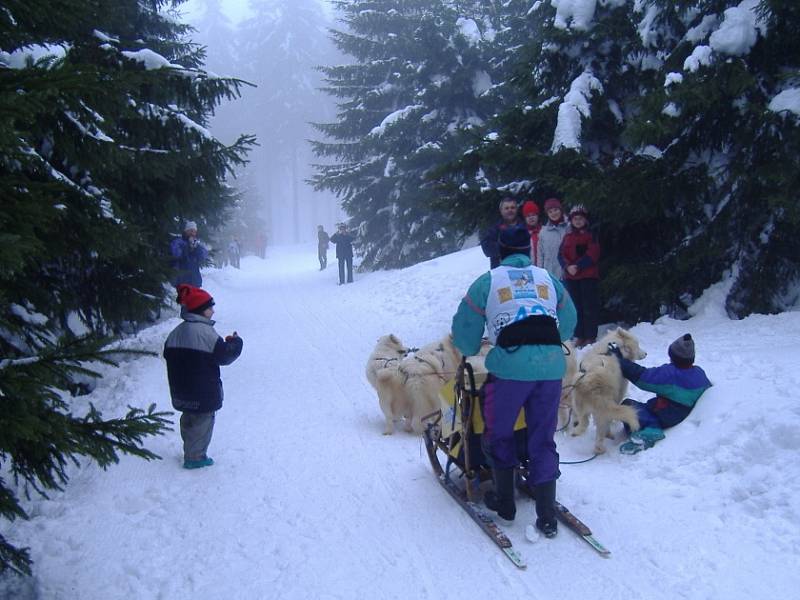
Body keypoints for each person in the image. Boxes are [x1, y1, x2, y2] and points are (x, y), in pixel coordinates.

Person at [452, 225, 577, 537]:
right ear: (528, 250)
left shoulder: (487, 281)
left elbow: (465, 331)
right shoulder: (548, 279)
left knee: (498, 431)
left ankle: (505, 502)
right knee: (543, 437)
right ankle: (546, 514)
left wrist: (470, 348)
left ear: (500, 251)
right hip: (550, 367)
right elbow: (570, 319)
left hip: (509, 368)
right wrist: (547, 341)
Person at [163, 284, 243, 469]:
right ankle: (195, 457)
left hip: (181, 388)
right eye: (209, 308)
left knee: (189, 418)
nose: (213, 311)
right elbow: (224, 356)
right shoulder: (205, 333)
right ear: (200, 310)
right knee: (203, 422)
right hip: (203, 391)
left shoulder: (176, 332)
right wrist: (236, 343)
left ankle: (190, 449)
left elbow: (169, 354)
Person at [608, 333, 712, 454]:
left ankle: (651, 429)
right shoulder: (699, 372)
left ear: (673, 356)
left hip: (668, 414)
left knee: (627, 407)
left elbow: (642, 377)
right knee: (646, 407)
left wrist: (618, 359)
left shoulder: (670, 374)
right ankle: (650, 425)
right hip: (683, 410)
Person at [559, 205, 601, 348]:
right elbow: (561, 255)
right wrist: (567, 267)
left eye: (580, 218)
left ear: (585, 220)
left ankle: (590, 335)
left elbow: (593, 253)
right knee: (576, 307)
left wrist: (578, 266)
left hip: (588, 276)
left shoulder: (590, 235)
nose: (577, 221)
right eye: (575, 219)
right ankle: (580, 335)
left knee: (588, 306)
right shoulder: (568, 236)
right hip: (571, 277)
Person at [480, 198, 522, 269]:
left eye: (512, 207)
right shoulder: (494, 229)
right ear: (501, 211)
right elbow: (486, 248)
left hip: (522, 272)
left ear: (516, 210)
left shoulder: (524, 227)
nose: (510, 210)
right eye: (506, 208)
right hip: (501, 272)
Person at [536, 198, 568, 279]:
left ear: (560, 210)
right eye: (550, 211)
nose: (553, 213)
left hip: (568, 273)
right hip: (550, 273)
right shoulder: (543, 232)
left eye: (555, 210)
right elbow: (540, 254)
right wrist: (540, 272)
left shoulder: (569, 227)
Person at [170, 221, 208, 287]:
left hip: (194, 280)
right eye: (191, 231)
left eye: (194, 231)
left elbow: (203, 256)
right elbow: (176, 254)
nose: (193, 233)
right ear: (186, 231)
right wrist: (187, 247)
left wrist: (197, 249)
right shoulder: (178, 242)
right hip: (181, 280)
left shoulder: (196, 244)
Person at [521, 200, 541, 265]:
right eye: (528, 216)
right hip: (528, 270)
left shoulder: (544, 232)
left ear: (537, 216)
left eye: (533, 215)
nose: (531, 218)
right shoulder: (521, 234)